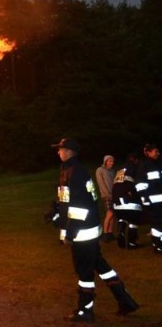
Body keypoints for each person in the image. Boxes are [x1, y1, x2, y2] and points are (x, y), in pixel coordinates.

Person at [48, 138, 138, 322]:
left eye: (60, 149)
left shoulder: (75, 173)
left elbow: (81, 207)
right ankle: (125, 301)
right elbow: (71, 199)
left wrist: (69, 233)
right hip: (86, 229)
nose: (58, 152)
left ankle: (85, 310)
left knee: (84, 272)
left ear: (68, 151)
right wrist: (56, 209)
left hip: (82, 232)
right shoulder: (71, 170)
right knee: (101, 266)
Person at [135, 143, 162, 254]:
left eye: (158, 151)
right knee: (156, 224)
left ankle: (159, 243)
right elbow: (140, 184)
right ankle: (157, 245)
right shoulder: (144, 166)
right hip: (152, 201)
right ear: (149, 152)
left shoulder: (158, 165)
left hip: (160, 201)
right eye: (155, 151)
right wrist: (145, 199)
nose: (158, 153)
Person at [112, 153, 142, 249]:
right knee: (134, 221)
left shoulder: (120, 170)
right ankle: (131, 243)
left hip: (117, 199)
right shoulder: (134, 168)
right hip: (129, 198)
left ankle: (120, 233)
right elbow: (137, 183)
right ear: (135, 160)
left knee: (122, 218)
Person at [95, 155, 116, 242]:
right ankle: (105, 233)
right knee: (109, 213)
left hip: (114, 195)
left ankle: (110, 233)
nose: (111, 163)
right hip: (106, 195)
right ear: (105, 161)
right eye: (109, 161)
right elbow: (101, 184)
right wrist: (107, 194)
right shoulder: (100, 170)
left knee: (114, 214)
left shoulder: (112, 171)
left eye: (113, 161)